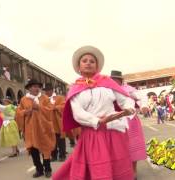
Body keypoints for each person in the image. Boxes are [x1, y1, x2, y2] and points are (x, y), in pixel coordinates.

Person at [53, 46, 135, 179]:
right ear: (79, 67)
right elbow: (77, 113)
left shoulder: (107, 82)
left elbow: (125, 99)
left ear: (97, 66)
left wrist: (128, 108)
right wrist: (97, 121)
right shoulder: (75, 89)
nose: (88, 63)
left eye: (92, 61)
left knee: (118, 167)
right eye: (84, 60)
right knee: (99, 170)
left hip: (115, 131)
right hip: (93, 134)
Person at [110, 70, 148, 179]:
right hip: (114, 122)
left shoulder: (128, 89)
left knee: (132, 148)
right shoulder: (106, 91)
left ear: (121, 80)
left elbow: (142, 96)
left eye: (117, 79)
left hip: (130, 121)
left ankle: (133, 173)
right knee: (117, 150)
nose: (114, 81)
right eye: (112, 79)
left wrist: (144, 106)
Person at [16, 79, 55, 178]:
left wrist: (38, 107)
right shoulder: (24, 99)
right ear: (29, 88)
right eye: (34, 86)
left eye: (38, 86)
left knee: (45, 149)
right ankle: (39, 169)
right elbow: (18, 112)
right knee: (34, 151)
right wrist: (26, 112)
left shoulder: (44, 98)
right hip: (31, 130)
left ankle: (48, 169)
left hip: (43, 129)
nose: (36, 88)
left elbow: (50, 109)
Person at [43, 83, 67, 162]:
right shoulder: (44, 99)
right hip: (49, 123)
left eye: (48, 90)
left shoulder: (59, 97)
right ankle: (53, 156)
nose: (47, 92)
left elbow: (64, 106)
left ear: (52, 90)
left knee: (60, 140)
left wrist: (56, 107)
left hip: (58, 123)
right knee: (51, 141)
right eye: (46, 91)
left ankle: (62, 155)